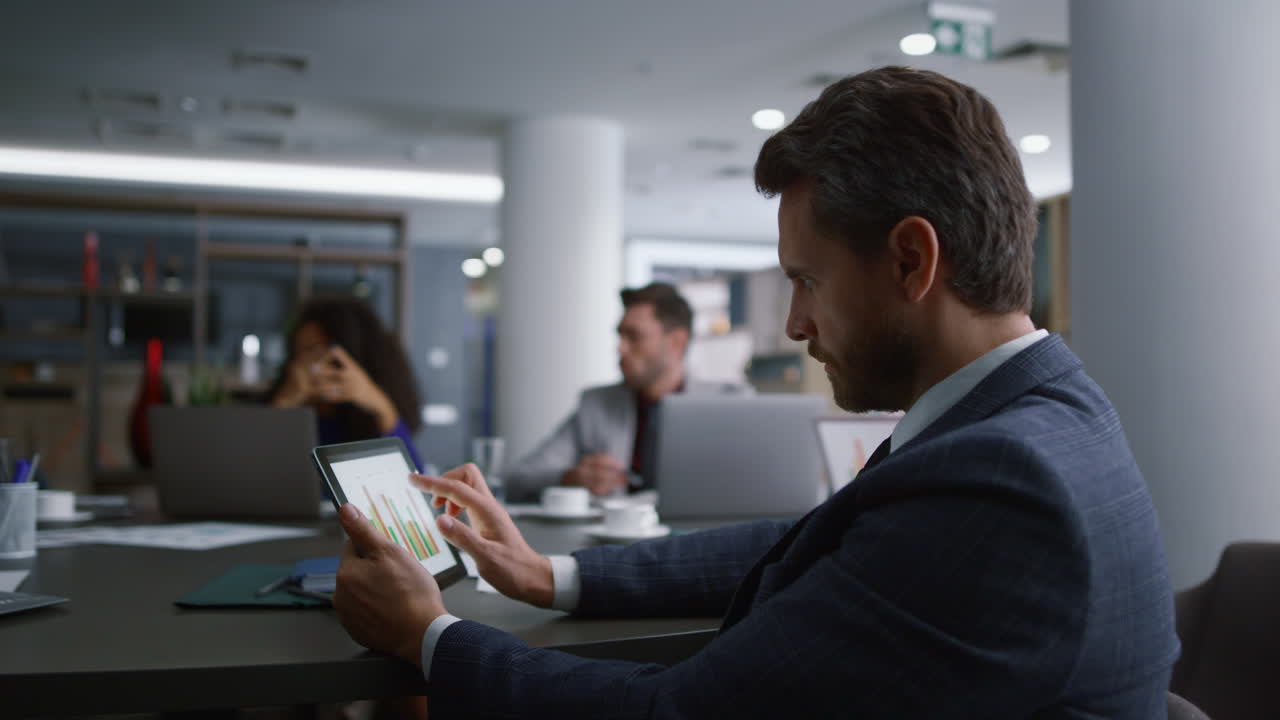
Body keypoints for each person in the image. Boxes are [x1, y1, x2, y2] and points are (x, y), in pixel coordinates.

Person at [331, 66, 1180, 718]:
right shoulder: (1040, 413)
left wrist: (430, 635)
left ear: (912, 262)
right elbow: (810, 542)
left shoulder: (1002, 480)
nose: (795, 325)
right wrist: (548, 573)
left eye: (806, 281)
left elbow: (676, 714)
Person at [503, 282, 749, 501]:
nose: (620, 348)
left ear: (677, 342)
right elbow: (518, 479)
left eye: (634, 336)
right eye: (620, 335)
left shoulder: (729, 404)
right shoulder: (596, 404)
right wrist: (571, 478)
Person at [268, 297, 425, 471]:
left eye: (317, 352)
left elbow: (413, 481)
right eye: (299, 354)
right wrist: (284, 401)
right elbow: (252, 461)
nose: (308, 367)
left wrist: (376, 401)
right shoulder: (291, 412)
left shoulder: (369, 414)